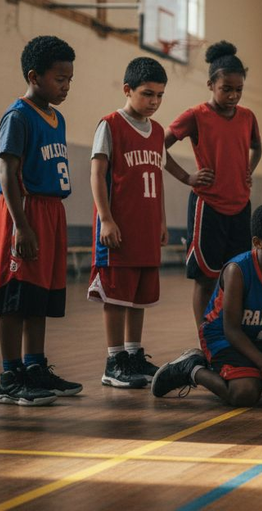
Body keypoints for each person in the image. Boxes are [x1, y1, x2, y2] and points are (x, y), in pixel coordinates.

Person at [150, 202, 262, 407]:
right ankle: (191, 369)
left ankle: (254, 374)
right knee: (245, 393)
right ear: (258, 242)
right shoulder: (237, 270)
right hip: (223, 337)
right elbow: (231, 329)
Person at [0, 36, 83, 407]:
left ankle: (34, 366)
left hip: (51, 210)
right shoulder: (18, 115)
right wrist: (21, 224)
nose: (66, 86)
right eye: (60, 79)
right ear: (34, 76)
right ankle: (10, 376)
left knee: (38, 295)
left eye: (70, 79)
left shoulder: (57, 118)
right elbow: (6, 171)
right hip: (25, 210)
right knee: (15, 296)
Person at [165, 41, 262, 329]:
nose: (233, 95)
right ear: (210, 84)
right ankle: (205, 338)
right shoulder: (196, 115)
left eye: (239, 90)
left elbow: (257, 147)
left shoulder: (247, 117)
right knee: (205, 279)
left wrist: (248, 169)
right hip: (207, 207)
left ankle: (231, 334)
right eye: (226, 89)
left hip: (240, 205)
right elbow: (158, 145)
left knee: (236, 277)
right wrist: (187, 177)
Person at [89, 57, 170, 389]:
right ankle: (114, 360)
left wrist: (162, 220)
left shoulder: (158, 131)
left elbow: (158, 179)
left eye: (159, 95)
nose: (154, 101)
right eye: (147, 94)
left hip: (147, 227)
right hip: (119, 228)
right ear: (127, 89)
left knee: (140, 296)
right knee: (117, 296)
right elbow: (97, 174)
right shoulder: (110, 125)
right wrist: (106, 219)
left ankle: (134, 354)